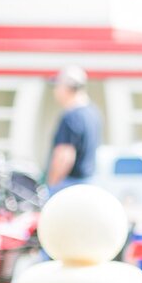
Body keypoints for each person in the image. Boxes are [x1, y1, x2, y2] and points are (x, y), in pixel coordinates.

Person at [46, 65, 103, 194]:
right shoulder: (93, 112)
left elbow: (64, 155)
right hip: (89, 183)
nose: (55, 91)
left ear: (67, 88)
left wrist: (52, 186)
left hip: (69, 185)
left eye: (57, 86)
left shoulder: (71, 116)